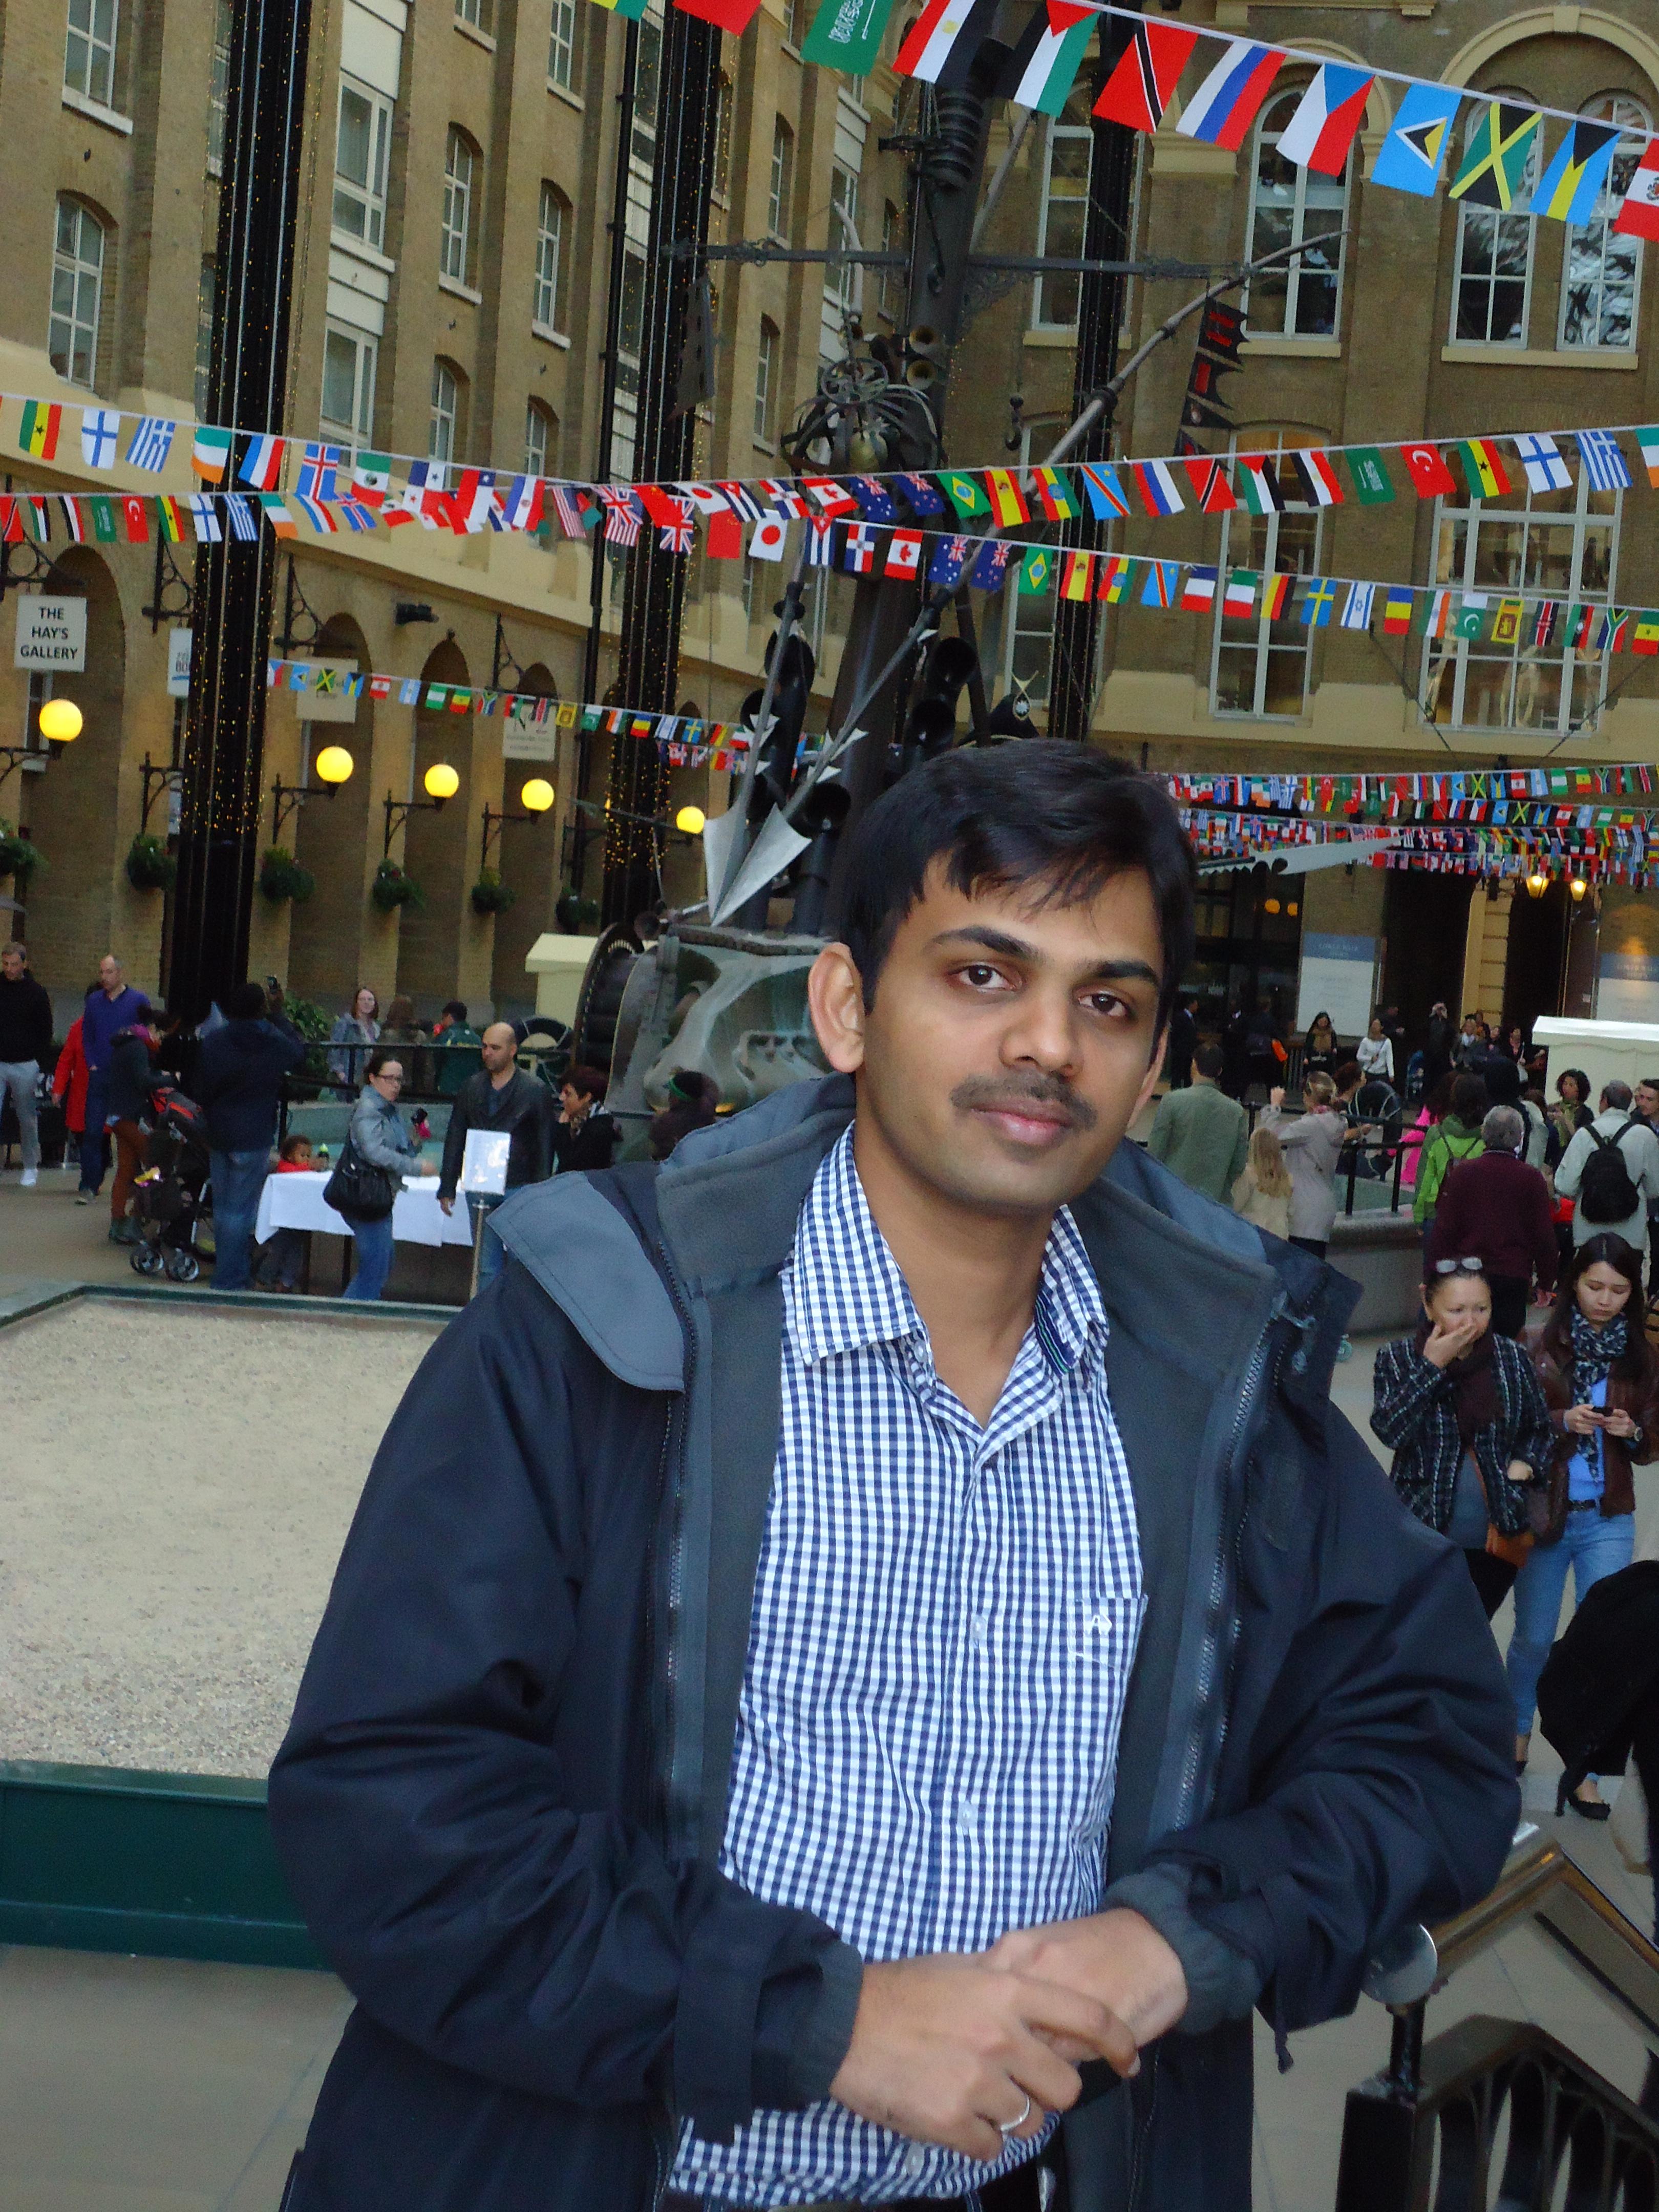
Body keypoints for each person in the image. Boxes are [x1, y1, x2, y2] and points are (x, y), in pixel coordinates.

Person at [267, 742, 1516, 2212]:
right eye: (983, 976)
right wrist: (816, 2019)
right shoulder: (601, 1333)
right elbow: (392, 1808)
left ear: (1151, 1062)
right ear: (846, 1007)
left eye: (1106, 1002)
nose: (1047, 1044)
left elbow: (1430, 1745)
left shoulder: (1220, 1395)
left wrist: (1186, 1934)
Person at [1513, 1235, 1659, 1810]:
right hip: (1548, 1513)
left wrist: (1633, 1432)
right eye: (1595, 1286)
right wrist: (1560, 1420)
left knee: (1604, 1647)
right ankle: (1516, 1731)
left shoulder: (1641, 1359)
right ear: (1573, 1283)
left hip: (1608, 1517)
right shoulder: (1537, 1345)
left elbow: (1653, 1439)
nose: (1605, 1300)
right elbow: (1512, 1426)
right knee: (1532, 1637)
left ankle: (1587, 1766)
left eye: (1619, 1290)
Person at [1371, 1259, 1551, 1620]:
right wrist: (1430, 1368)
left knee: (1473, 1632)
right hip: (1422, 1531)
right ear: (1428, 1306)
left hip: (1496, 1531)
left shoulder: (1511, 1358)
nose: (1470, 1322)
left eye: (1481, 1309)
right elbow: (1391, 1431)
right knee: (1420, 1635)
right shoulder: (1398, 1358)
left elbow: (1539, 1429)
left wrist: (1526, 1465)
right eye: (1456, 1311)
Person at [195, 981, 308, 1292]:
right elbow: (298, 1053)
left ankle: (230, 1274)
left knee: (224, 1209)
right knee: (241, 1210)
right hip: (254, 1131)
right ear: (262, 1008)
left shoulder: (215, 1040)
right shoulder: (271, 1038)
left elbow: (201, 1088)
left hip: (221, 1131)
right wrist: (279, 1014)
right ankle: (230, 1278)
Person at [1423, 1105, 1558, 1338]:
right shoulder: (1531, 1178)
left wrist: (1432, 1277)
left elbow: (1444, 1230)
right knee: (1506, 1343)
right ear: (1520, 1138)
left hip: (1469, 1274)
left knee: (1468, 1340)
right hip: (1513, 1275)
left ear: (1484, 1133)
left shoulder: (1464, 1173)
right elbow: (1543, 1235)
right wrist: (1546, 1281)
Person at [438, 1024, 555, 1287]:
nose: (487, 1053)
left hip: (518, 1183)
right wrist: (447, 1185)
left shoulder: (534, 1090)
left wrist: (540, 1190)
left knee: (519, 1262)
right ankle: (491, 1310)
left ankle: (511, 1311)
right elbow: (455, 1136)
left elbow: (545, 1144)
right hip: (483, 1181)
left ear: (513, 1051)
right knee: (486, 1266)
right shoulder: (472, 1087)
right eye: (485, 1047)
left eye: (495, 1048)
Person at [336, 1051, 432, 1303]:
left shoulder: (389, 1110)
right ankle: (348, 1314)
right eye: (389, 1079)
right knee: (377, 1266)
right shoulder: (369, 1109)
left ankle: (351, 1311)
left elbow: (396, 1151)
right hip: (367, 1194)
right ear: (372, 1078)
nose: (395, 1085)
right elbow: (374, 1153)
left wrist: (415, 1140)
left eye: (399, 1079)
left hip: (380, 1194)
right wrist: (416, 1168)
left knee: (382, 1262)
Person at [1555, 1080, 1659, 1260]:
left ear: (1604, 1101)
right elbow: (1655, 1188)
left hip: (1588, 1229)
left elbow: (1566, 1186)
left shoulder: (1584, 1135)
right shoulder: (1645, 1136)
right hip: (1631, 1232)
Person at [78, 954, 148, 1201]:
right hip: (100, 1074)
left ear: (120, 973)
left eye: (109, 972)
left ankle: (137, 1183)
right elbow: (87, 1034)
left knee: (129, 1133)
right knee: (93, 1131)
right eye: (102, 972)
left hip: (126, 1080)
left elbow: (146, 1035)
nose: (104, 977)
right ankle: (89, 1184)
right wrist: (92, 1063)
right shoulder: (94, 1002)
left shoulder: (138, 1001)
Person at [1259, 1070, 1347, 1259]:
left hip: (1303, 1210)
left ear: (1308, 1096)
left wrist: (1274, 1107)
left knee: (1297, 1270)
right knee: (1313, 1269)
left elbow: (1268, 1137)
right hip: (1322, 1208)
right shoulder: (1337, 1122)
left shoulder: (1312, 1125)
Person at [1146, 1040, 1248, 1202]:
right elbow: (1239, 1164)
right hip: (1214, 1199)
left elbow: (1155, 1151)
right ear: (1220, 1071)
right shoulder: (1236, 1112)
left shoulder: (1172, 1101)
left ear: (1194, 1065)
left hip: (1173, 1195)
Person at [0, 941, 52, 1187]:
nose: (10, 969)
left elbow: (45, 1029)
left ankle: (31, 1165)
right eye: (6, 964)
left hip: (25, 1063)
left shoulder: (36, 992)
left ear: (24, 964)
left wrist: (37, 1060)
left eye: (14, 964)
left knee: (27, 1116)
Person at [1413, 1072, 1489, 1237]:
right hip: (1474, 1216)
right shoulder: (1487, 1140)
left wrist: (1419, 1217)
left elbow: (1424, 1178)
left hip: (1436, 1212)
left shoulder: (1436, 1134)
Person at [102, 1012, 156, 1244]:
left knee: (125, 1170)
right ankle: (135, 1218)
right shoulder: (139, 1048)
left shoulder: (123, 1045)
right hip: (132, 1117)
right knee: (155, 1168)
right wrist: (170, 1078)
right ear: (150, 1028)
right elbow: (144, 1081)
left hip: (117, 1116)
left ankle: (117, 1222)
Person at [256, 1133, 315, 1292]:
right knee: (278, 1251)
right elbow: (291, 1172)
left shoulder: (305, 1171)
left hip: (297, 1218)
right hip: (282, 1221)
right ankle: (265, 1277)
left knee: (295, 1252)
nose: (307, 1159)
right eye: (303, 1155)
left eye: (308, 1156)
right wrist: (310, 1167)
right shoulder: (284, 1168)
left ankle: (286, 1281)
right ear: (289, 1156)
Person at [548, 1064, 620, 1174]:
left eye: (568, 1094)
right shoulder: (579, 1121)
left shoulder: (598, 1129)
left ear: (587, 1097)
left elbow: (570, 1166)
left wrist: (563, 1130)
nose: (562, 1098)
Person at [1231, 1121, 1291, 1239]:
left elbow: (1235, 1206)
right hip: (1279, 1236)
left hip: (1252, 1235)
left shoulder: (1249, 1175)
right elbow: (1291, 1212)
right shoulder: (1287, 1179)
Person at [648, 1065, 718, 1160]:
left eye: (671, 1093)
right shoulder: (707, 1113)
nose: (669, 1097)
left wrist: (658, 1119)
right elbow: (710, 1086)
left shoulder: (666, 1123)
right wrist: (687, 1077)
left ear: (676, 1099)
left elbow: (657, 1149)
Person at [51, 1011, 89, 1181]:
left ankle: (92, 1178)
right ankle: (89, 1178)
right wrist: (58, 1089)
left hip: (106, 1092)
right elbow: (66, 1061)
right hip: (81, 1093)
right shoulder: (78, 1028)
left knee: (101, 1138)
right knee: (82, 1135)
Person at [328, 987, 380, 1094]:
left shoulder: (377, 1028)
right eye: (362, 999)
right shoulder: (345, 1024)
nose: (366, 1002)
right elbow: (334, 1050)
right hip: (349, 1080)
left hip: (370, 1081)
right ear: (356, 1003)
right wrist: (341, 1075)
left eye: (370, 999)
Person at [431, 1000, 483, 1098]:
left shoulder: (446, 1037)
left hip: (448, 1091)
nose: (442, 1022)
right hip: (473, 1092)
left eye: (443, 1018)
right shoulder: (477, 1038)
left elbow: (435, 1063)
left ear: (449, 1017)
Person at [1549, 1068, 1594, 1165]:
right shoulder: (1554, 1107)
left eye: (1571, 1085)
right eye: (1565, 1084)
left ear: (1579, 1090)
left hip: (1572, 1157)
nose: (1566, 1088)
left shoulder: (1585, 1113)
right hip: (1552, 1155)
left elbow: (1582, 1139)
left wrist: (1565, 1121)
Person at [1162, 995, 1196, 1089]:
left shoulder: (1191, 1018)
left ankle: (1187, 1090)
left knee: (1187, 1074)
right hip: (1180, 1051)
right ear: (1191, 1004)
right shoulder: (1181, 1016)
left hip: (1188, 1052)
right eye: (1196, 1004)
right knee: (1178, 1073)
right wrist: (1177, 1047)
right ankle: (1175, 1090)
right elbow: (1175, 1033)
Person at [1423, 1002, 1455, 1094]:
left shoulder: (1448, 1023)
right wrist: (1432, 1012)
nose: (1440, 1011)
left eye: (1442, 1009)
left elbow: (1452, 1035)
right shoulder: (1431, 1021)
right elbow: (1424, 1029)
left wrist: (1446, 1017)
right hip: (1430, 1057)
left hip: (1442, 1058)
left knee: (1441, 1080)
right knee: (1429, 1081)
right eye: (1439, 1009)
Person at [1301, 1010, 1338, 1084]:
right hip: (1314, 1056)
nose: (1323, 1024)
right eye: (1321, 1022)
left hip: (1327, 1057)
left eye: (1325, 1022)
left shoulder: (1331, 1032)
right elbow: (1308, 1045)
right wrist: (1306, 1057)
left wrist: (1334, 1049)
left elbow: (1334, 1044)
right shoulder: (1313, 1032)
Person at [1356, 1015, 1394, 1085]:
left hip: (1381, 1073)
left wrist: (1391, 1074)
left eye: (1377, 1025)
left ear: (1381, 1027)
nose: (1374, 1027)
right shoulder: (1366, 1041)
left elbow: (1389, 1058)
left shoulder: (1387, 1042)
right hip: (1369, 1071)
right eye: (1373, 1025)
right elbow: (1359, 1056)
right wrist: (1370, 1059)